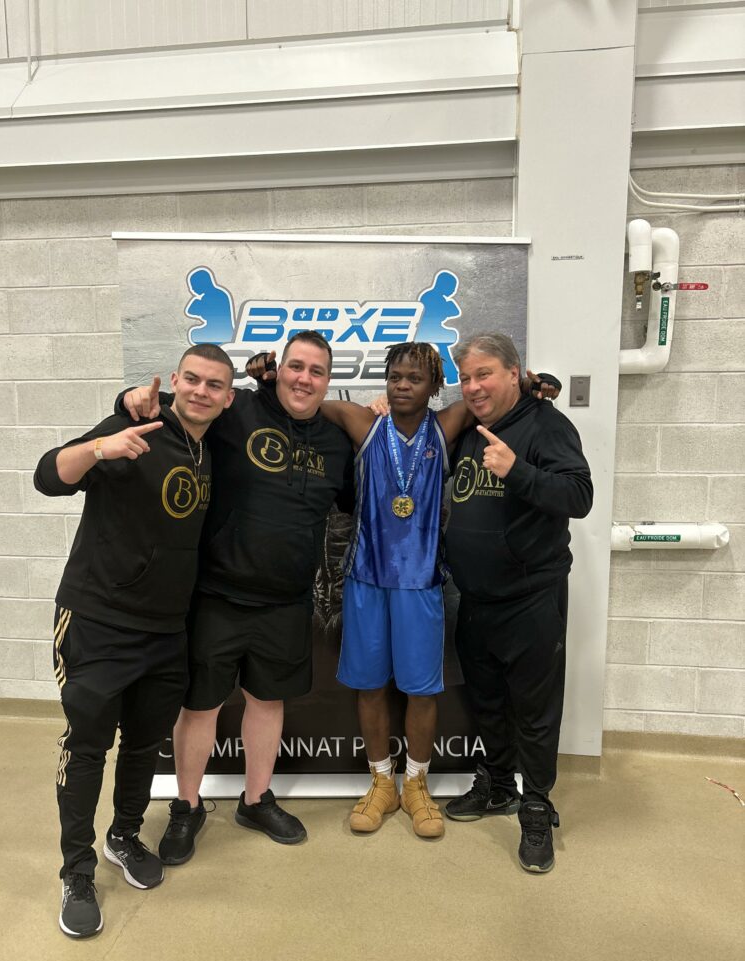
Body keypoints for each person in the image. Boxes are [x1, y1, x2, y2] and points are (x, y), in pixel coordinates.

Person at [247, 343, 561, 841]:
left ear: (434, 385)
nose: (401, 385)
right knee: (370, 686)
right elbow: (302, 399)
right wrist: (268, 376)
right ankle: (381, 783)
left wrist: (533, 383)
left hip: (421, 583)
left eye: (414, 378)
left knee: (420, 689)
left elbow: (493, 398)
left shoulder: (448, 422)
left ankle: (416, 785)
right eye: (394, 376)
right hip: (366, 579)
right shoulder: (361, 422)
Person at [119, 331, 355, 858]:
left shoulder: (336, 442)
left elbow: (357, 500)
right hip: (216, 593)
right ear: (280, 368)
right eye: (296, 366)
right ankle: (187, 805)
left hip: (287, 599)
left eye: (316, 371)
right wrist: (127, 399)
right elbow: (183, 403)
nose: (304, 378)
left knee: (267, 701)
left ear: (328, 381)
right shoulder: (237, 409)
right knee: (200, 706)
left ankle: (256, 799)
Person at [34, 344, 235, 938]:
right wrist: (102, 444)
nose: (201, 391)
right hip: (96, 620)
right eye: (191, 380)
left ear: (227, 397)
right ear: (174, 381)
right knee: (88, 744)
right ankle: (76, 870)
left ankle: (123, 835)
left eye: (214, 385)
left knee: (145, 742)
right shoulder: (134, 424)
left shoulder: (208, 445)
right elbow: (49, 475)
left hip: (164, 629)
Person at [443, 333, 593, 874]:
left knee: (534, 711)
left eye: (485, 374)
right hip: (477, 598)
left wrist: (519, 472)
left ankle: (536, 805)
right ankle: (499, 787)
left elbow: (580, 496)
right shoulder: (466, 428)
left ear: (514, 373)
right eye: (466, 377)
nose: (474, 386)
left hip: (531, 598)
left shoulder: (546, 425)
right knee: (485, 701)